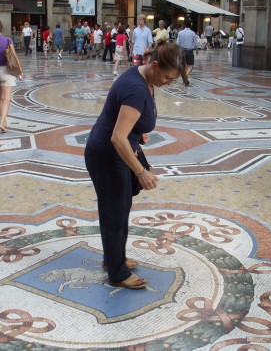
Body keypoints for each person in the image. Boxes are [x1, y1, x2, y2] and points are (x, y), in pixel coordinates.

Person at [84, 40, 184, 289]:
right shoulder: (137, 88)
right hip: (108, 154)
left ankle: (114, 257)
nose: (168, 83)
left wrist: (139, 132)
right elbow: (117, 137)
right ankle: (116, 273)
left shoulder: (145, 79)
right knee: (114, 212)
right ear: (155, 65)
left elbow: (125, 120)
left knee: (121, 207)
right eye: (167, 77)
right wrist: (140, 171)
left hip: (119, 150)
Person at [176, 17, 199, 87]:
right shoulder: (192, 33)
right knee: (190, 66)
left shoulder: (180, 33)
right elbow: (195, 43)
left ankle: (185, 80)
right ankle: (186, 76)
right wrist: (197, 50)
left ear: (184, 24)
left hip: (182, 51)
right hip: (189, 51)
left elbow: (177, 43)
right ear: (190, 24)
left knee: (184, 65)